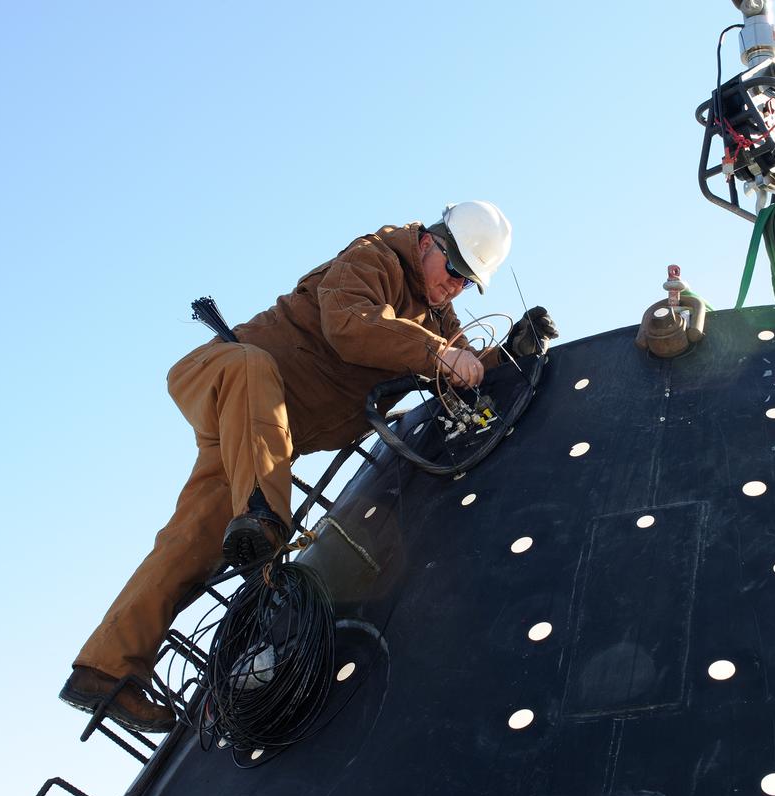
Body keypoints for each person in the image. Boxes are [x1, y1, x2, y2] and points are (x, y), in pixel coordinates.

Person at [60, 201, 558, 732]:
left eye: (467, 283)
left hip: (264, 434)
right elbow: (349, 323)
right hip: (227, 375)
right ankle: (264, 523)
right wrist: (437, 353)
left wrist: (508, 352)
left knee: (195, 537)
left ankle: (104, 672)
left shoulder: (435, 318)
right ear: (428, 242)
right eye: (453, 269)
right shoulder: (374, 258)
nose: (454, 287)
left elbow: (459, 365)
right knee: (253, 368)